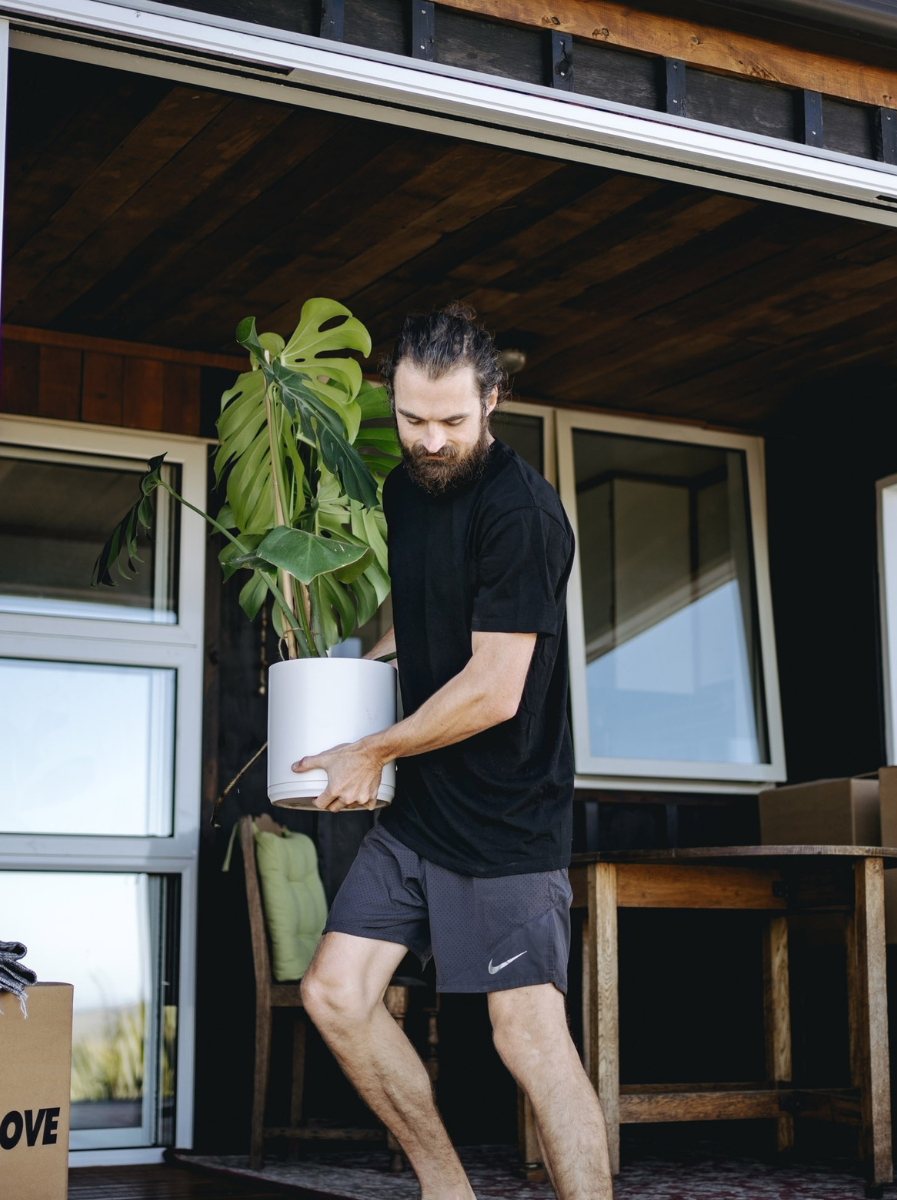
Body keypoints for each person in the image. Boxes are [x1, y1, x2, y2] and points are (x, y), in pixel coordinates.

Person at [291, 304, 610, 1200]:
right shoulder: (405, 490)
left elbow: (493, 686)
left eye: (452, 422)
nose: (430, 441)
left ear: (494, 400)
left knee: (528, 1035)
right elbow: (427, 614)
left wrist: (373, 748)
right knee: (336, 995)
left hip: (507, 819)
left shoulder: (523, 514)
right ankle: (446, 1188)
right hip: (424, 812)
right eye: (411, 419)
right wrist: (352, 669)